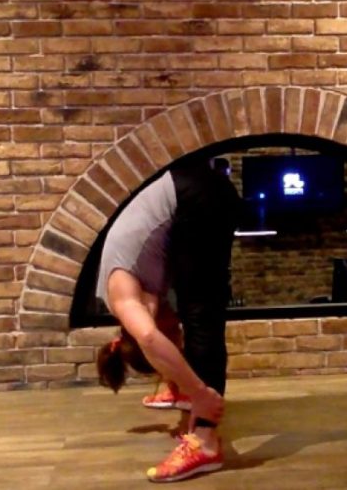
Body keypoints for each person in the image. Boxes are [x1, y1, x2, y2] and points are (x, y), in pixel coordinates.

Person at [94, 157, 241, 482]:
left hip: (196, 195)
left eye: (173, 337)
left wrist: (198, 392)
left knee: (201, 315)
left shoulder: (122, 297)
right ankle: (190, 410)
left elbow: (150, 339)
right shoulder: (142, 290)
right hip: (199, 192)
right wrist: (181, 383)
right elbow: (154, 339)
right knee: (197, 310)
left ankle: (204, 443)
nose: (176, 334)